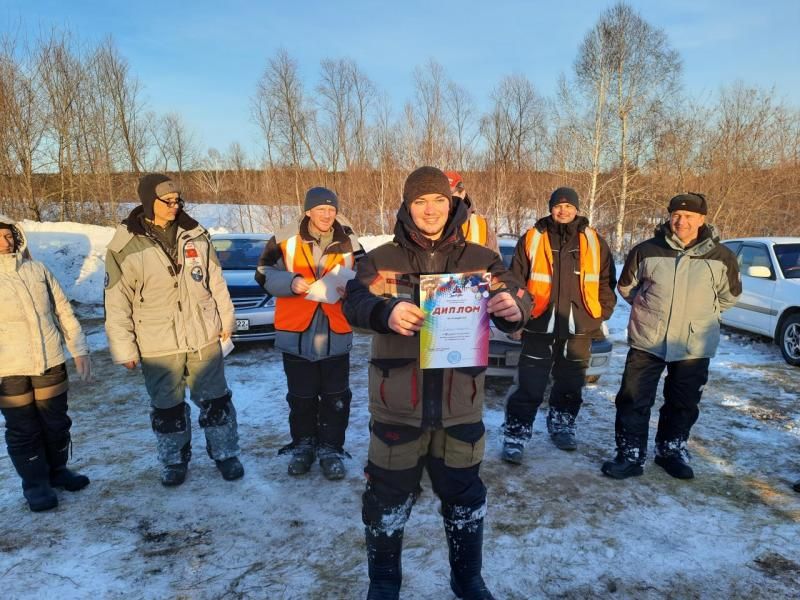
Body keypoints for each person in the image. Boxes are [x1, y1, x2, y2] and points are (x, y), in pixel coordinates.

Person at [344, 167, 530, 600]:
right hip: (397, 404)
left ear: (452, 203)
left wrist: (514, 308)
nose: (430, 210)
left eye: (439, 201)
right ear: (407, 207)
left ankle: (467, 579)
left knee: (465, 499)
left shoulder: (481, 259)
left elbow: (517, 293)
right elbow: (355, 302)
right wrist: (384, 312)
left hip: (459, 404)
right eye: (420, 202)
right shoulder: (380, 259)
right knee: (386, 501)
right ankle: (384, 583)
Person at [104, 173, 244, 486]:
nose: (174, 205)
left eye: (177, 199)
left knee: (217, 400)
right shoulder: (124, 245)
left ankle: (226, 454)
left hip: (202, 334)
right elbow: (116, 300)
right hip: (157, 341)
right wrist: (124, 347)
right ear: (147, 201)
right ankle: (174, 461)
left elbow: (216, 282)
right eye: (166, 201)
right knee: (167, 407)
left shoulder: (196, 235)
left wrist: (226, 321)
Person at [601, 193, 741, 480]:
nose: (681, 221)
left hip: (694, 343)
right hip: (648, 339)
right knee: (633, 399)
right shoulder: (646, 250)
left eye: (689, 216)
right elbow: (627, 287)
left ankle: (671, 451)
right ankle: (630, 454)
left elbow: (729, 296)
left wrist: (699, 316)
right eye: (676, 215)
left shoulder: (722, 256)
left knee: (683, 402)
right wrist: (649, 310)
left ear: (702, 219)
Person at [255, 187, 364, 480]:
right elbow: (262, 273)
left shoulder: (349, 240)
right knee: (301, 398)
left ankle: (330, 449)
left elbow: (365, 275)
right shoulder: (284, 238)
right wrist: (290, 282)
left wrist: (351, 288)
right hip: (296, 332)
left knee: (336, 399)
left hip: (336, 331)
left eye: (332, 210)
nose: (327, 215)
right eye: (321, 210)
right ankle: (303, 447)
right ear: (308, 211)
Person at [501, 187, 616, 463]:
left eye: (569, 206)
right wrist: (517, 319)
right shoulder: (533, 237)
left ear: (577, 209)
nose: (563, 210)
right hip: (539, 324)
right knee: (529, 385)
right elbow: (515, 281)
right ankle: (516, 434)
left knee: (571, 383)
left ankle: (562, 425)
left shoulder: (593, 240)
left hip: (579, 326)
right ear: (550, 208)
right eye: (558, 206)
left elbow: (606, 280)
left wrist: (601, 313)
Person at [0, 217, 92, 511]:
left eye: (8, 236)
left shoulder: (37, 269)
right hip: (9, 369)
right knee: (23, 428)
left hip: (50, 360)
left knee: (56, 422)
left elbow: (63, 309)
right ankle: (36, 484)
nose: (5, 243)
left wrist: (79, 349)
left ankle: (58, 471)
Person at [444, 171, 495, 250]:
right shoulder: (428, 223)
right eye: (441, 195)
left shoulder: (482, 227)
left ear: (462, 193)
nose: (445, 199)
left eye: (450, 194)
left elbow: (495, 257)